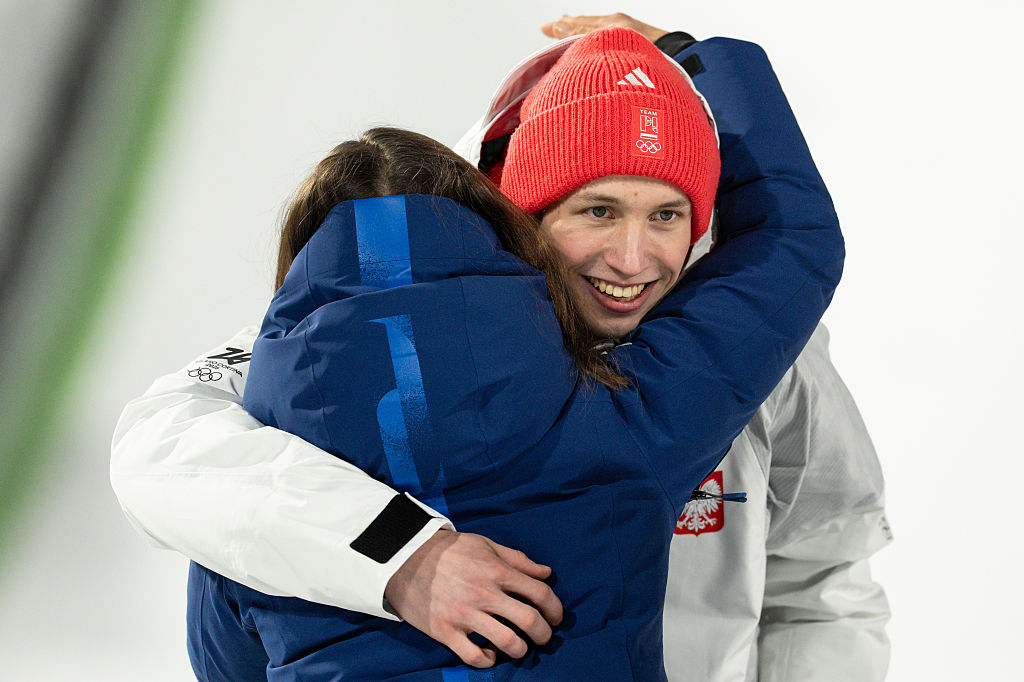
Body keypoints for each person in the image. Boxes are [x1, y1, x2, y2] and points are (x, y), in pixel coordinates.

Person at [110, 17, 889, 681]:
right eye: (597, 209)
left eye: (667, 215)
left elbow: (823, 576)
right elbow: (162, 449)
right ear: (516, 209)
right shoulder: (359, 352)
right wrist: (403, 556)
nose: (631, 258)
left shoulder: (774, 360)